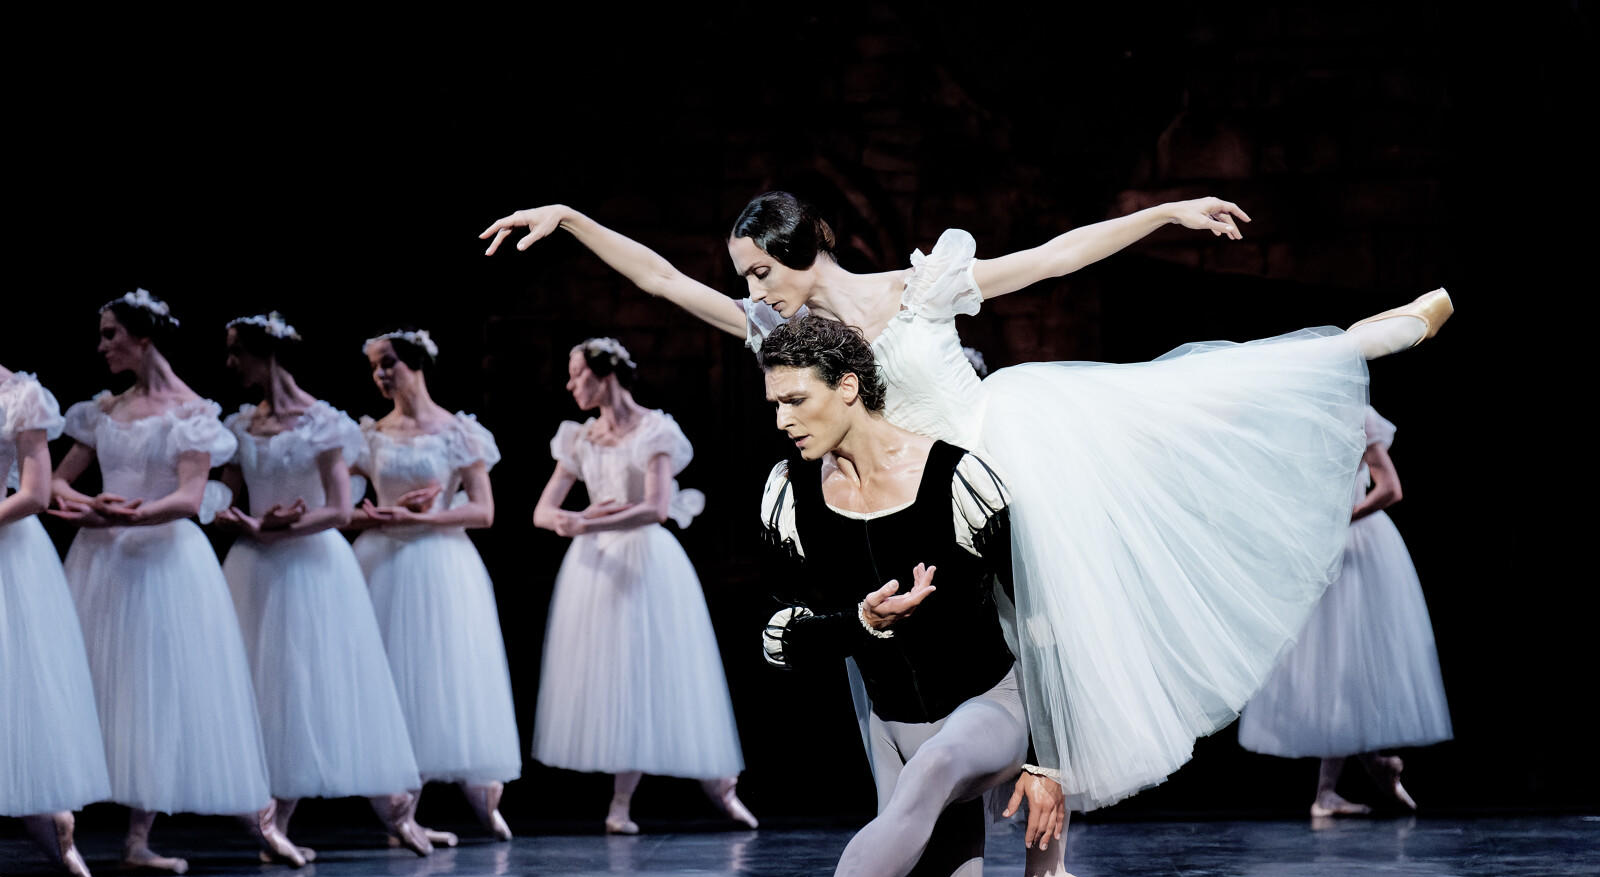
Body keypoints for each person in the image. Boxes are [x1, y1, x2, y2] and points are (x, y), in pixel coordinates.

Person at [479, 193, 1453, 813]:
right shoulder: (783, 334)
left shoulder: (922, 285)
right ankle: (958, 852)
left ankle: (1371, 339)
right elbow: (659, 279)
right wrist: (569, 219)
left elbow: (1054, 258)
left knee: (1176, 409)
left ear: (807, 248)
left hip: (1008, 451)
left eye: (763, 270)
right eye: (747, 280)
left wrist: (1161, 215)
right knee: (974, 678)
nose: (755, 290)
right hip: (918, 507)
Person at [755, 315, 1207, 877]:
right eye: (774, 405)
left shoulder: (958, 478)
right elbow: (779, 638)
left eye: (795, 400)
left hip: (990, 707)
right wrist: (861, 623)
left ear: (847, 387)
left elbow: (1043, 623)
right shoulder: (790, 493)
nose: (783, 419)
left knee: (936, 770)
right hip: (892, 727)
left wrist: (1049, 762)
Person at [49, 289, 305, 872]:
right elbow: (59, 482)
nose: (102, 346)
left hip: (164, 558)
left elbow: (191, 496)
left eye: (112, 334)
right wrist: (91, 504)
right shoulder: (103, 410)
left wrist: (129, 513)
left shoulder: (193, 412)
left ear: (144, 339)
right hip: (102, 557)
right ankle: (64, 826)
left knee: (158, 689)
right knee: (89, 679)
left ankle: (140, 836)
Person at [217, 312, 433, 857]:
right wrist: (239, 521)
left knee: (317, 680)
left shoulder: (326, 423)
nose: (230, 363)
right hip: (255, 564)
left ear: (265, 355)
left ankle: (392, 811)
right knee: (262, 683)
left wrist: (282, 524)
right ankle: (273, 818)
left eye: (237, 352)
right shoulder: (241, 424)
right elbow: (222, 496)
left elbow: (338, 508)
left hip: (313, 563)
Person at [531, 337, 756, 834]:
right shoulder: (580, 438)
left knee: (665, 667)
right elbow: (543, 510)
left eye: (577, 374)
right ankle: (619, 803)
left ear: (604, 374)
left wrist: (587, 525)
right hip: (594, 567)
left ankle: (720, 785)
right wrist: (575, 519)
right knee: (613, 673)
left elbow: (656, 508)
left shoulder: (655, 430)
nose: (570, 385)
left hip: (645, 558)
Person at [1239, 405, 1451, 815]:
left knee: (1347, 660)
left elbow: (1390, 487)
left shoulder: (1359, 418)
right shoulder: (1304, 419)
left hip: (1357, 547)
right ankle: (1362, 772)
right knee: (1329, 665)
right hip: (1319, 551)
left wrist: (1344, 517)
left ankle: (1344, 782)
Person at [351, 329, 520, 841]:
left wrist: (427, 516)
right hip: (382, 559)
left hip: (440, 563)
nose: (381, 375)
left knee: (442, 673)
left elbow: (484, 510)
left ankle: (473, 791)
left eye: (388, 364)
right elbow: (350, 506)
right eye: (376, 367)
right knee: (392, 677)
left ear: (416, 364)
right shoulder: (370, 434)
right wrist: (380, 514)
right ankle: (401, 806)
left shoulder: (458, 432)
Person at [1, 365, 108, 877]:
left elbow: (37, 494)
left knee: (14, 690)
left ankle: (51, 815)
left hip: (8, 554)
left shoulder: (21, 397)